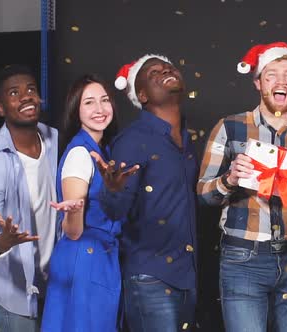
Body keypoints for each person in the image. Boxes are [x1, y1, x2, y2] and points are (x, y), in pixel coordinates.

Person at [197, 41, 287, 331]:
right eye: (271, 74)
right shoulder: (230, 128)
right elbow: (203, 195)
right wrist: (229, 179)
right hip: (243, 259)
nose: (281, 81)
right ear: (257, 83)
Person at [91, 54, 197, 332]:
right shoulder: (132, 141)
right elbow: (115, 212)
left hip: (187, 275)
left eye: (169, 66)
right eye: (154, 73)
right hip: (150, 277)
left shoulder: (187, 139)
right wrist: (112, 191)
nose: (166, 70)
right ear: (142, 95)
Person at [0, 64, 58, 331]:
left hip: (52, 286)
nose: (25, 96)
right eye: (14, 93)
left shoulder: (53, 139)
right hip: (13, 297)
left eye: (31, 89)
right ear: (1, 108)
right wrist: (3, 240)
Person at [41, 74, 122, 331]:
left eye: (105, 100)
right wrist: (73, 212)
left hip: (99, 257)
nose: (99, 109)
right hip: (85, 258)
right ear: (76, 111)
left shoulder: (102, 151)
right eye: (89, 102)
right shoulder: (79, 153)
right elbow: (73, 231)